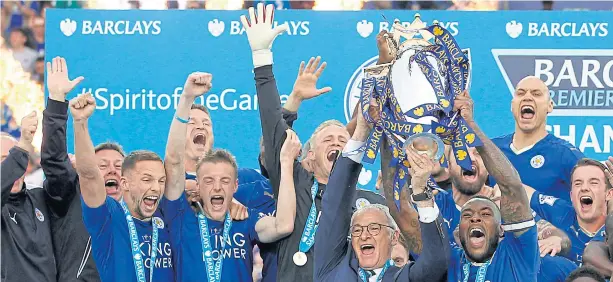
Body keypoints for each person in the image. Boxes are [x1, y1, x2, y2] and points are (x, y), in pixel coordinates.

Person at [242, 4, 351, 281]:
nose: (337, 143)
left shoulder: (362, 201)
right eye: (329, 139)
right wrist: (262, 60)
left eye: (343, 140)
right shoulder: (296, 179)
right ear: (310, 155)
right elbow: (273, 131)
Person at [161, 72, 298, 281]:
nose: (217, 187)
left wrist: (286, 164)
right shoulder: (178, 210)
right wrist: (187, 99)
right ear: (198, 185)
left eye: (224, 181)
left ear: (235, 185)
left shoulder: (245, 212)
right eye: (209, 181)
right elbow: (172, 161)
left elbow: (284, 224)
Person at [314, 107, 449, 281]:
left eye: (374, 228)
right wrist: (361, 133)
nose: (364, 235)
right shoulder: (330, 270)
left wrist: (421, 194)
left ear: (394, 237)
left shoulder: (404, 277)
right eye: (356, 230)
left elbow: (437, 262)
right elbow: (335, 203)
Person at [71, 93, 174, 282]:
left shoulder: (168, 216)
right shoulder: (109, 217)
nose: (156, 188)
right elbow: (89, 175)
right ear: (125, 183)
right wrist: (80, 122)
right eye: (147, 179)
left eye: (161, 181)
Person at [448, 90, 539, 281]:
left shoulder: (518, 255)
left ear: (501, 230)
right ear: (458, 232)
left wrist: (470, 125)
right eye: (467, 215)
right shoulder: (451, 261)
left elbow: (512, 187)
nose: (475, 219)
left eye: (486, 214)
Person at [42, 56, 106, 281]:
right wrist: (57, 100)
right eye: (102, 165)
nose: (111, 171)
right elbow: (54, 161)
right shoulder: (70, 197)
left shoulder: (137, 208)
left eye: (119, 166)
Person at [491, 76, 584, 202]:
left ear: (549, 106)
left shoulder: (566, 154)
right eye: (521, 93)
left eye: (536, 94)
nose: (527, 97)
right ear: (512, 105)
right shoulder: (490, 149)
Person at [1, 113, 56, 282]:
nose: (14, 169)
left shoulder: (40, 197)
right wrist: (24, 142)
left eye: (15, 159)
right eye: (4, 161)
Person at [526, 157, 612, 264]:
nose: (584, 188)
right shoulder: (560, 211)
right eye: (578, 183)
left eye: (593, 183)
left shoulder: (610, 227)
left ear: (609, 194)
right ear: (571, 195)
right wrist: (550, 232)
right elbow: (506, 191)